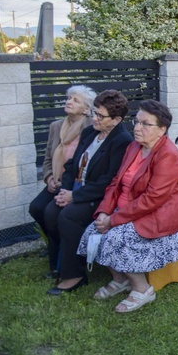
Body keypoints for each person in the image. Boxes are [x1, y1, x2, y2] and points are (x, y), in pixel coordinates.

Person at [78, 100, 178, 313]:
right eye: (137, 122)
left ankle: (143, 289)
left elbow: (153, 199)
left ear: (162, 129)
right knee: (92, 230)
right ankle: (120, 279)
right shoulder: (133, 147)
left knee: (113, 237)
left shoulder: (167, 154)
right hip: (129, 210)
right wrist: (104, 211)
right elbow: (115, 182)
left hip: (161, 214)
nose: (137, 128)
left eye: (145, 124)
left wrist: (113, 220)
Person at [43, 90, 133, 295]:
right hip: (75, 188)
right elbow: (72, 163)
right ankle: (61, 263)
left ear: (117, 119)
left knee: (68, 216)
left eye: (100, 116)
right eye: (94, 112)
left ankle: (75, 274)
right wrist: (65, 190)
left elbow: (109, 180)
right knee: (50, 211)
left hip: (99, 196)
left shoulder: (122, 140)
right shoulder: (90, 132)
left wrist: (74, 196)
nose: (94, 118)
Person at [29, 85, 95, 276]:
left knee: (53, 213)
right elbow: (48, 158)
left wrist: (66, 185)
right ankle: (55, 241)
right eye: (68, 98)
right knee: (36, 208)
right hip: (56, 180)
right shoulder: (56, 126)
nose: (69, 101)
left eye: (75, 100)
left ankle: (60, 256)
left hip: (75, 183)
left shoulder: (90, 128)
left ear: (86, 108)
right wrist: (49, 178)